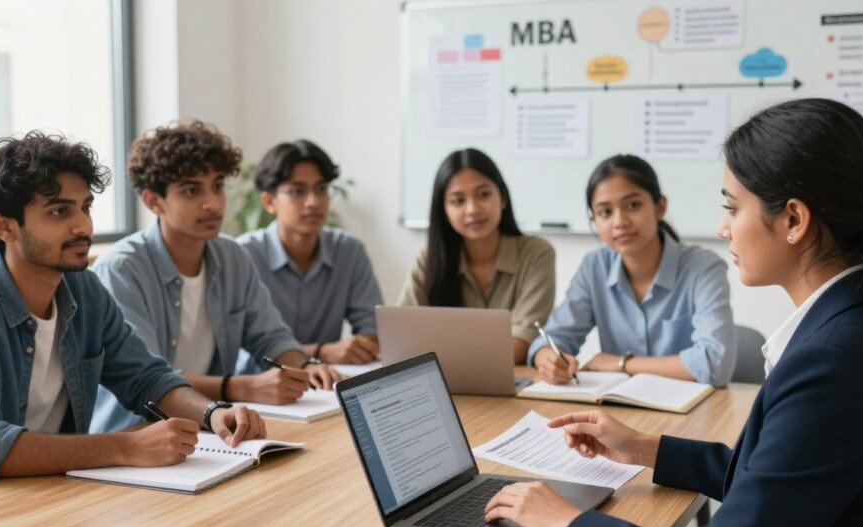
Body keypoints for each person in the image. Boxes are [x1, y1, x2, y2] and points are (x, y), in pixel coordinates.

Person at [485, 99, 863, 527]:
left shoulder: (832, 363)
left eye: (732, 207)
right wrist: (646, 448)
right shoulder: (861, 320)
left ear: (794, 220)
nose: (722, 227)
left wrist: (568, 524)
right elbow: (782, 476)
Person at [0, 131, 266, 492]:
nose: (84, 226)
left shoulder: (85, 291)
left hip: (57, 493)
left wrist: (213, 413)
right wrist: (127, 447)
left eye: (86, 207)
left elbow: (148, 379)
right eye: (60, 211)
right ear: (5, 225)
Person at [90, 122, 340, 434]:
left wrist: (307, 367)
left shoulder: (231, 257)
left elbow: (271, 337)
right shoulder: (120, 270)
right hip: (136, 434)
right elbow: (148, 377)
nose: (213, 203)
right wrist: (241, 387)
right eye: (192, 190)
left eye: (218, 185)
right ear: (154, 201)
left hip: (211, 432)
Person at [529, 154, 735, 387]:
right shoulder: (594, 267)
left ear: (660, 207)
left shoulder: (704, 268)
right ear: (594, 220)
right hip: (618, 409)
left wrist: (621, 363)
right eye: (605, 212)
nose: (620, 222)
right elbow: (554, 338)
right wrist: (546, 357)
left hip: (692, 412)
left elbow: (715, 364)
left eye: (633, 205)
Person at [398, 148, 554, 364]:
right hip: (445, 384)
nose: (472, 209)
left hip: (512, 384)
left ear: (503, 198)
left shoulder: (536, 254)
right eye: (458, 200)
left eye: (483, 195)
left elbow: (521, 343)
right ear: (444, 210)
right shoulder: (429, 259)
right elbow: (404, 334)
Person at [237, 140, 383, 367]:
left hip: (325, 385)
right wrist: (320, 352)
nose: (313, 202)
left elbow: (372, 330)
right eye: (297, 191)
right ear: (269, 201)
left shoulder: (348, 250)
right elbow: (243, 347)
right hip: (259, 387)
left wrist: (359, 346)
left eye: (321, 189)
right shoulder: (243, 255)